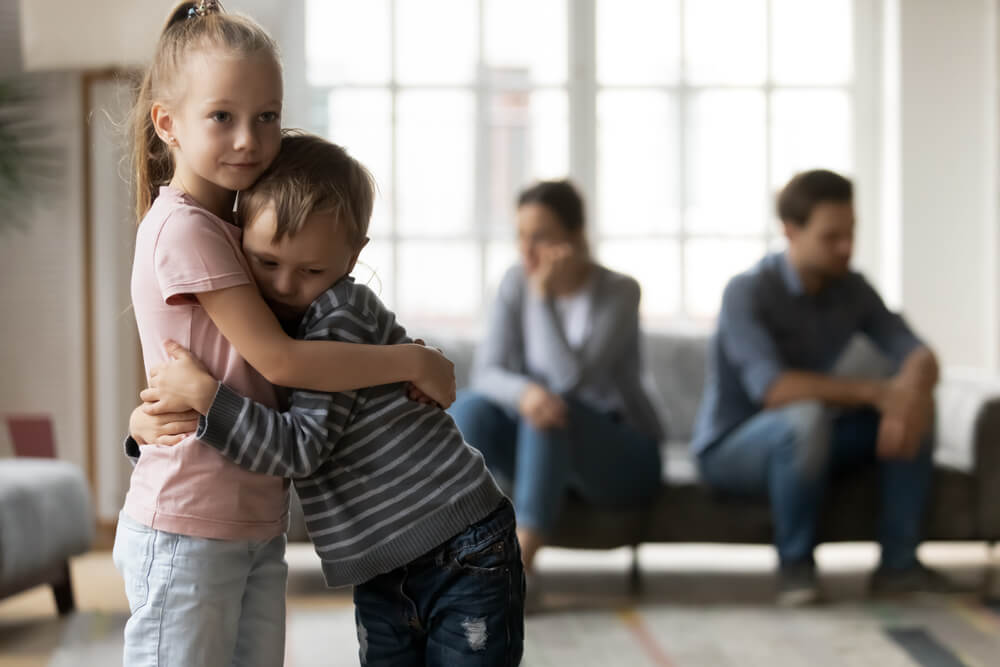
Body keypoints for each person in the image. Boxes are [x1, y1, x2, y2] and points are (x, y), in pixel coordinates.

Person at [119, 4, 454, 665]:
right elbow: (280, 359)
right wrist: (410, 359)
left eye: (266, 116)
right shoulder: (186, 228)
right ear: (168, 123)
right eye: (223, 116)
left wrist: (141, 423)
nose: (249, 138)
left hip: (250, 519)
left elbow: (232, 365)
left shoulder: (239, 225)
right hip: (190, 520)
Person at [131, 132, 525, 666]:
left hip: (459, 547)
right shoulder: (273, 323)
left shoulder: (338, 316)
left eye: (311, 271)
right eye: (266, 262)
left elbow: (298, 450)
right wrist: (145, 423)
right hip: (386, 562)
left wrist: (204, 397)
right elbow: (247, 377)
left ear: (354, 255)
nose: (284, 285)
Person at [690, 169, 949, 606]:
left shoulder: (853, 288)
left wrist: (908, 394)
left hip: (815, 440)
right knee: (805, 418)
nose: (846, 248)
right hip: (733, 448)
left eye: (851, 233)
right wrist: (877, 392)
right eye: (831, 237)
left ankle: (899, 566)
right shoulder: (747, 291)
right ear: (790, 231)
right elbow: (774, 389)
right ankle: (795, 569)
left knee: (915, 410)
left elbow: (917, 352)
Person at [448, 180, 665, 577]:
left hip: (622, 454)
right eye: (520, 236)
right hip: (546, 447)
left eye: (540, 237)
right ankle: (460, 548)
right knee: (471, 406)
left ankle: (517, 571)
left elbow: (570, 381)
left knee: (549, 410)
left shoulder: (620, 292)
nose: (526, 251)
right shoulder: (515, 281)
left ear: (576, 238)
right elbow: (486, 373)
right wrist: (525, 391)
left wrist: (542, 297)